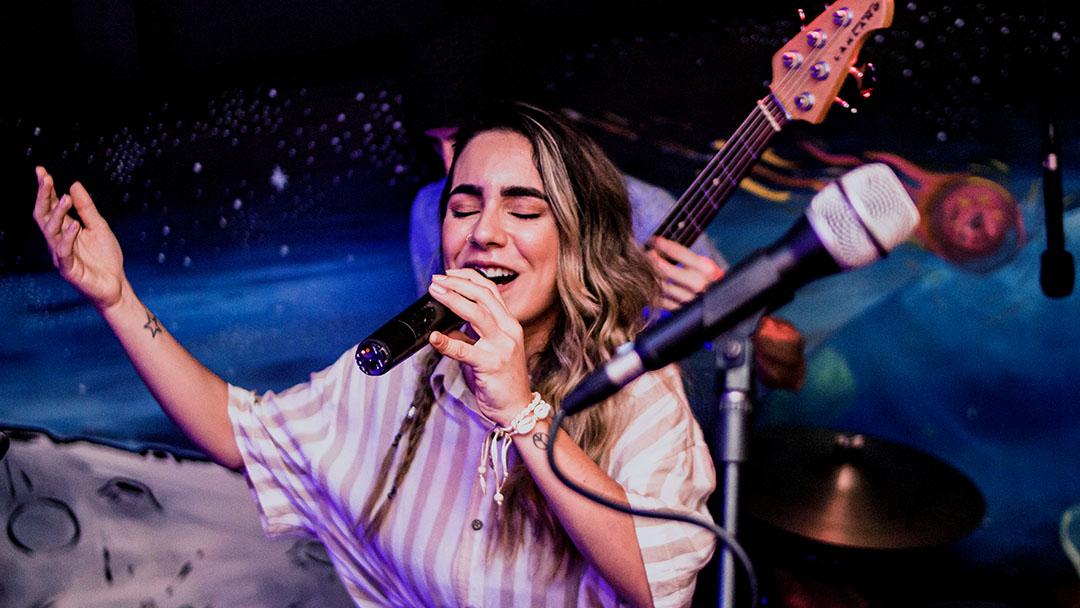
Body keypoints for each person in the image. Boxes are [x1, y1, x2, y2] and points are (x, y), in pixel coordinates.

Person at [33, 102, 717, 607]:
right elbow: (240, 433)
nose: (485, 232)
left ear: (577, 238)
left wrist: (521, 410)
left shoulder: (639, 391)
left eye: (524, 210)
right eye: (464, 206)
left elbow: (656, 584)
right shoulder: (406, 367)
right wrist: (117, 298)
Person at [409, 122, 806, 392]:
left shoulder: (647, 209)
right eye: (461, 210)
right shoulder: (431, 206)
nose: (449, 163)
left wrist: (731, 311)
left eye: (461, 138)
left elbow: (789, 372)